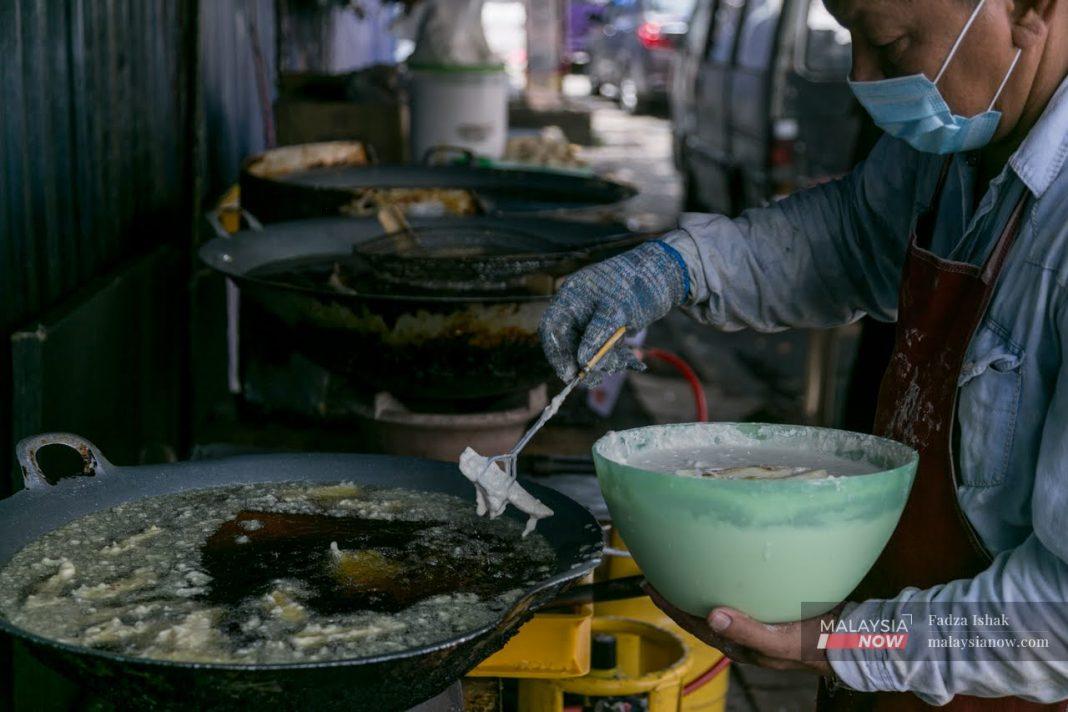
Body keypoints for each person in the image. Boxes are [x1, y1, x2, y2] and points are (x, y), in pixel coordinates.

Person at [539, 0, 1068, 707]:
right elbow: (847, 238)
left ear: (1029, 8)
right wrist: (676, 268)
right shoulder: (959, 146)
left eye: (887, 41)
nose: (859, 72)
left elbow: (1053, 622)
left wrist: (844, 643)